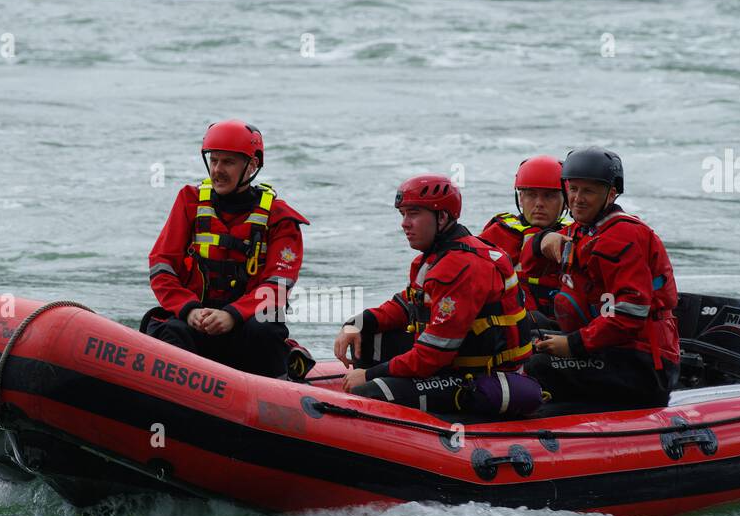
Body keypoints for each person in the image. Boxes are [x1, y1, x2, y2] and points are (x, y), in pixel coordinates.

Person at [332, 174, 542, 417]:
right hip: (453, 366)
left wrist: (368, 375)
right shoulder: (436, 258)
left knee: (370, 394)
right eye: (403, 215)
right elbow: (405, 305)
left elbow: (432, 356)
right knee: (368, 335)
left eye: (414, 214)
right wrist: (356, 323)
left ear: (442, 217)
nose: (404, 224)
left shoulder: (461, 268)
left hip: (482, 379)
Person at [141, 120, 309, 378]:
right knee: (171, 330)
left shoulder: (280, 219)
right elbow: (162, 266)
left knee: (266, 327)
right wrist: (189, 310)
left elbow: (278, 286)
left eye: (228, 162)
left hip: (245, 325)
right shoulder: (190, 201)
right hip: (197, 318)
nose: (217, 170)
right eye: (214, 160)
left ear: (252, 166)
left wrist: (233, 315)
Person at [527, 147, 680, 409]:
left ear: (611, 193)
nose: (577, 199)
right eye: (573, 189)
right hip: (606, 348)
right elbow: (529, 266)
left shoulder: (621, 236)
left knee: (535, 365)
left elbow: (630, 313)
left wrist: (573, 345)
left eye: (588, 191)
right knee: (525, 331)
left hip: (640, 364)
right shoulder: (581, 231)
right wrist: (541, 240)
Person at [479, 155, 569, 326]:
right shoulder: (498, 233)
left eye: (549, 196)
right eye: (531, 195)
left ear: (565, 202)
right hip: (516, 326)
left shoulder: (574, 234)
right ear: (520, 198)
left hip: (563, 327)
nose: (539, 203)